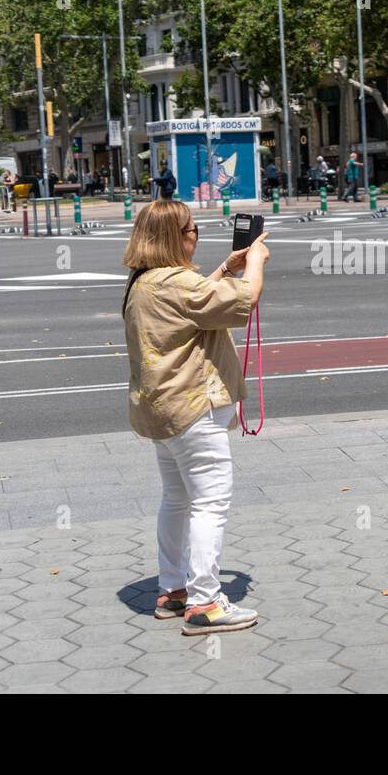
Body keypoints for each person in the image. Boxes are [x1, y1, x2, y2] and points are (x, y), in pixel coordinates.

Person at [122, 199, 271, 635]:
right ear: (174, 238)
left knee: (176, 498)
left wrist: (225, 268)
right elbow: (246, 301)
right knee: (210, 501)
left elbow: (194, 304)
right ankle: (205, 602)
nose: (195, 237)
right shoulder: (177, 282)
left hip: (160, 409)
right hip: (193, 408)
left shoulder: (145, 281)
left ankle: (173, 590)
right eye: (191, 231)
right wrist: (255, 262)